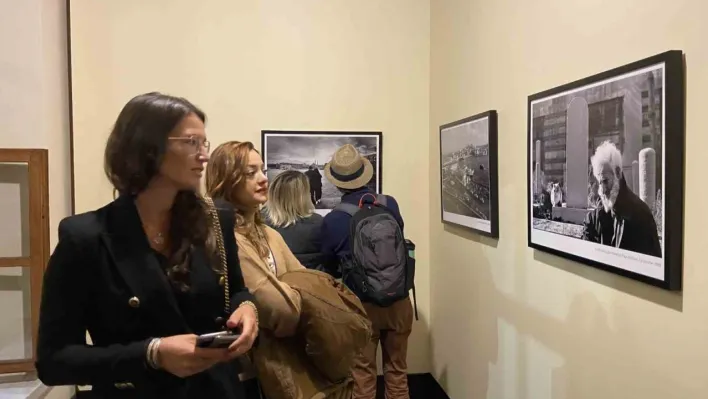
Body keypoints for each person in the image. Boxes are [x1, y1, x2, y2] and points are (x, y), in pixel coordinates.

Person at [35, 92, 259, 399]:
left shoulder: (215, 219)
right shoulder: (86, 237)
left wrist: (247, 309)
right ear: (148, 147)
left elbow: (235, 289)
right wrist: (152, 353)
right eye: (191, 142)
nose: (204, 155)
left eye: (203, 143)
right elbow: (54, 361)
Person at [205, 141, 354, 399]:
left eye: (262, 170)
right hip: (241, 368)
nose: (264, 179)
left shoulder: (267, 233)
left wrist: (297, 298)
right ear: (226, 181)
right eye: (250, 173)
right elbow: (283, 309)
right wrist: (296, 299)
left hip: (278, 361)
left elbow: (306, 284)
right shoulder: (222, 237)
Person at [320, 144, 414, 399]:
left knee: (362, 377)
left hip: (361, 306)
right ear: (366, 174)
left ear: (337, 183)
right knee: (397, 372)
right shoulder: (389, 204)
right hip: (398, 300)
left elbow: (328, 263)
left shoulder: (333, 219)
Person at [581, 140, 662, 257]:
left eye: (605, 181)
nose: (602, 190)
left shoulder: (641, 216)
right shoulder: (597, 216)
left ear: (618, 173)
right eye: (599, 183)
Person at [262, 170, 325, 271]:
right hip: (310, 281)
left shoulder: (259, 222)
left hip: (273, 282)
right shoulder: (319, 224)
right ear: (303, 195)